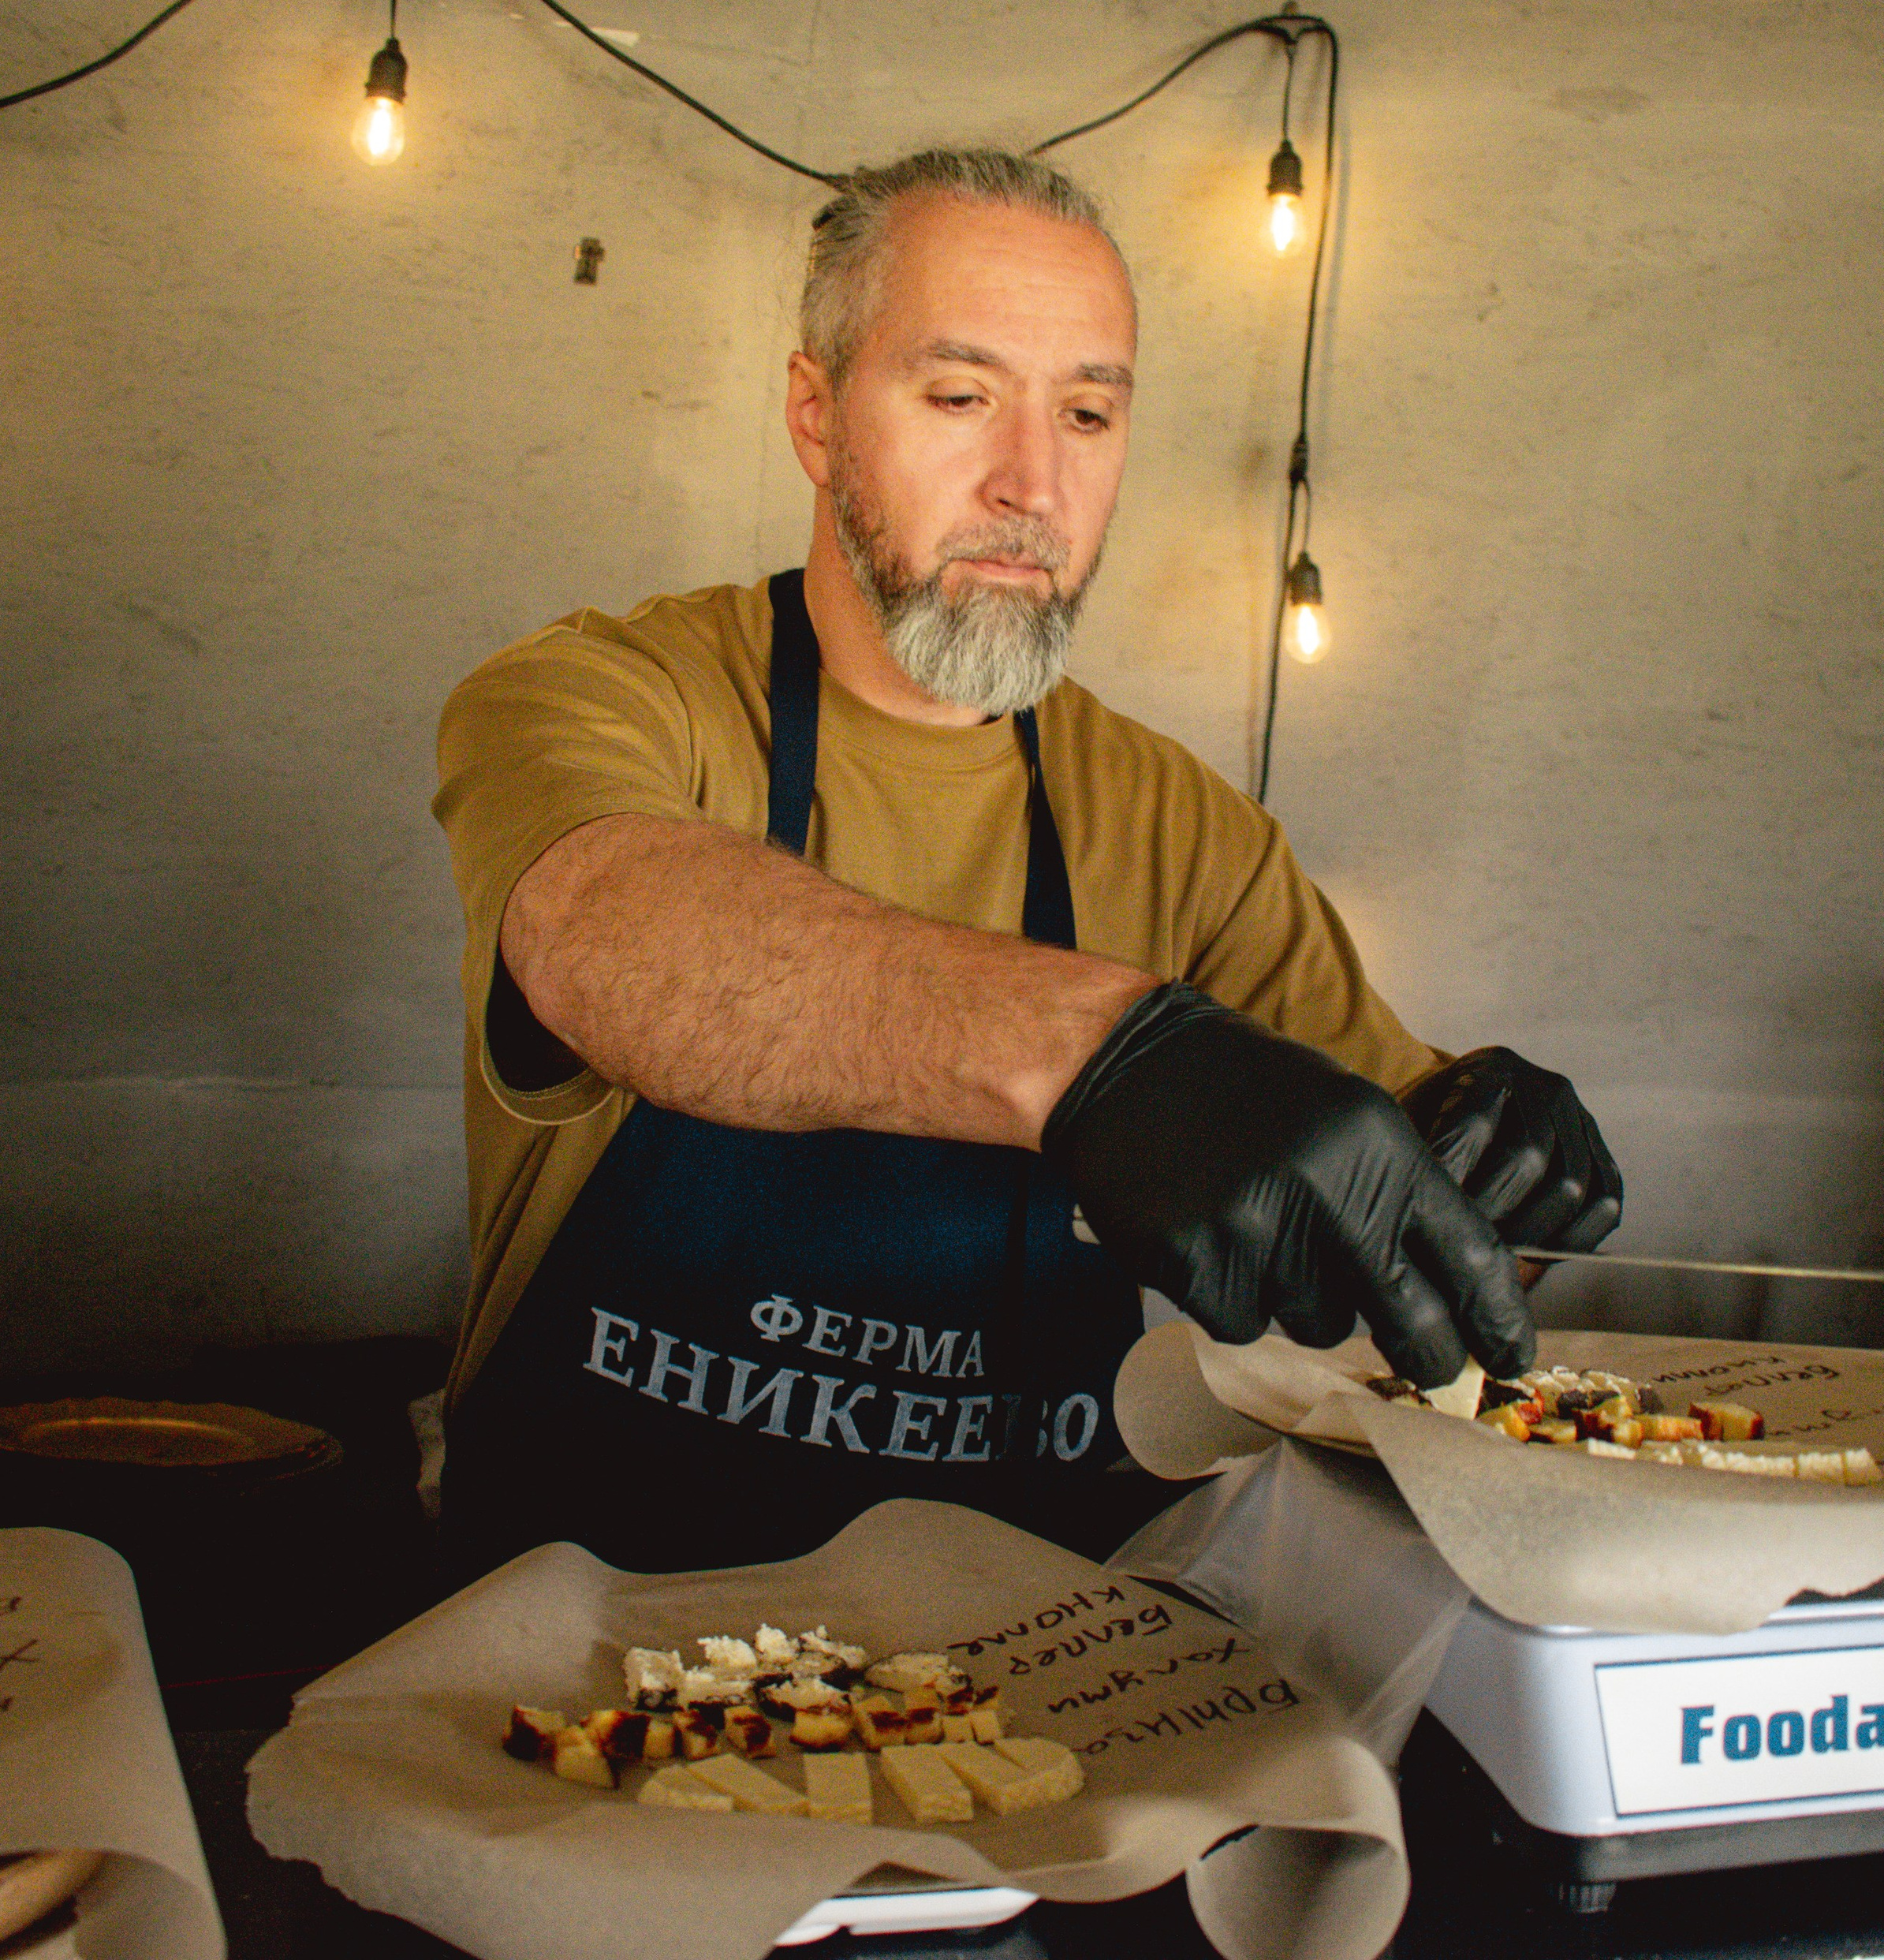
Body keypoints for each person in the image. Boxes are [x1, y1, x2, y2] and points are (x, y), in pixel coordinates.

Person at [431, 147, 1621, 1578]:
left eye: (1088, 413)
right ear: (815, 414)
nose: (1032, 484)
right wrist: (1102, 1058)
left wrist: (1492, 1176)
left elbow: (1396, 1249)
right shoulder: (607, 694)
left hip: (1029, 1685)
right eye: (959, 397)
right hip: (582, 1656)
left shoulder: (1184, 830)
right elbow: (612, 932)